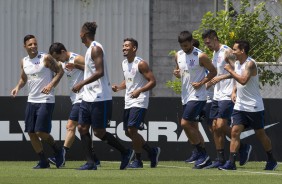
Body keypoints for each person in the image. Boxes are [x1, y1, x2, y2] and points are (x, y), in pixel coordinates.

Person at [72, 21, 134, 170]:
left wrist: (81, 84)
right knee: (81, 128)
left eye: (80, 32)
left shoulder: (95, 49)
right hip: (87, 98)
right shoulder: (88, 51)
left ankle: (126, 152)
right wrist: (76, 66)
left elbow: (100, 72)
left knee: (99, 132)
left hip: (100, 98)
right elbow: (90, 69)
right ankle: (90, 163)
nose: (79, 35)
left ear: (84, 34)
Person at [218, 40, 278, 170]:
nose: (233, 52)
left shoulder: (250, 64)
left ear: (242, 51)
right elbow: (237, 79)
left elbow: (243, 80)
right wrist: (234, 91)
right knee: (234, 132)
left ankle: (271, 159)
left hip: (253, 106)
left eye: (235, 49)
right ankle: (231, 162)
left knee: (260, 134)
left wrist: (229, 69)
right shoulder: (238, 63)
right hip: (240, 105)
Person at [10, 35, 65, 169]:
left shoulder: (45, 58)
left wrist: (51, 85)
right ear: (25, 47)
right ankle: (43, 162)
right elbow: (23, 78)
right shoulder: (24, 61)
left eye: (35, 44)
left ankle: (58, 151)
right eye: (30, 45)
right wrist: (17, 87)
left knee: (40, 131)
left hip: (46, 100)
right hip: (31, 100)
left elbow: (60, 71)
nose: (33, 46)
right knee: (31, 132)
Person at [201, 29, 252, 168]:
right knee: (214, 127)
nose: (208, 45)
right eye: (206, 43)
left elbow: (237, 72)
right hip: (217, 95)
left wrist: (221, 78)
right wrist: (208, 81)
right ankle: (220, 159)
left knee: (221, 125)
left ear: (215, 38)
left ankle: (242, 147)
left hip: (227, 94)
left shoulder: (227, 51)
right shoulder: (214, 53)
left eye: (209, 42)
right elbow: (216, 72)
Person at [47, 42, 100, 166]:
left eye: (58, 57)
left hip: (83, 97)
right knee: (83, 129)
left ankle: (61, 156)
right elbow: (59, 74)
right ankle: (94, 159)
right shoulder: (63, 62)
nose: (57, 60)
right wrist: (50, 86)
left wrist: (76, 65)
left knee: (70, 126)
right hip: (75, 98)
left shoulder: (77, 58)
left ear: (63, 52)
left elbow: (95, 71)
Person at [112, 38, 161, 168]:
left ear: (134, 48)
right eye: (123, 46)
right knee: (128, 132)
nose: (124, 48)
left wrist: (140, 91)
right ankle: (152, 151)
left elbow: (152, 81)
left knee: (131, 129)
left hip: (140, 100)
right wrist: (119, 87)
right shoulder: (123, 63)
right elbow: (127, 81)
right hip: (128, 101)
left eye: (127, 46)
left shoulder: (141, 64)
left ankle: (138, 161)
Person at [173, 31, 217, 169]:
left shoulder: (201, 56)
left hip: (198, 96)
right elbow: (179, 72)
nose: (184, 48)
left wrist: (202, 82)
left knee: (185, 123)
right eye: (182, 46)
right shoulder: (178, 55)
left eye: (186, 45)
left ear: (192, 42)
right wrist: (177, 73)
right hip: (185, 96)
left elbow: (213, 72)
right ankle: (200, 154)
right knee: (191, 126)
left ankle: (203, 154)